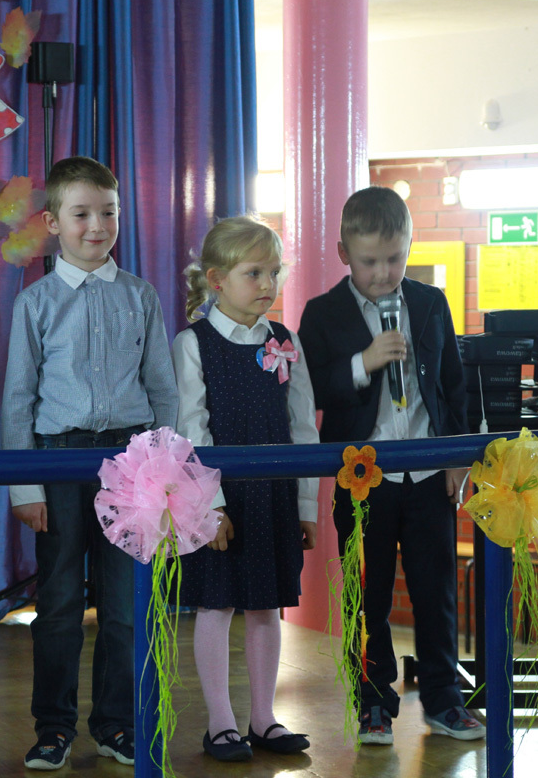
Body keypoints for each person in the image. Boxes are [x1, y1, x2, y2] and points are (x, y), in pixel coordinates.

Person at [1, 156, 178, 771]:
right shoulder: (35, 303)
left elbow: (163, 390)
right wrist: (25, 486)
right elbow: (18, 399)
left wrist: (165, 472)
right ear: (54, 222)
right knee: (57, 603)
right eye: (81, 214)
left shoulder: (141, 296)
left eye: (108, 212)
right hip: (58, 462)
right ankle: (53, 727)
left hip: (131, 460)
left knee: (125, 603)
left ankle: (115, 724)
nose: (97, 226)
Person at [298, 186, 483, 744]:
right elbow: (310, 390)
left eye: (394, 258)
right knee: (367, 596)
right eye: (369, 261)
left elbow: (454, 385)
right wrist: (364, 361)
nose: (383, 273)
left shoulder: (430, 303)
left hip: (428, 475)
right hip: (363, 482)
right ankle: (373, 703)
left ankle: (444, 700)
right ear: (343, 253)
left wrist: (457, 456)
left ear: (409, 248)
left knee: (436, 593)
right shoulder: (322, 313)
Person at [172, 217, 319, 761]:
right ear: (217, 279)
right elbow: (191, 429)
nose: (267, 284)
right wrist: (209, 506)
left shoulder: (285, 341)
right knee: (217, 605)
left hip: (275, 493)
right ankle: (220, 723)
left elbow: (304, 427)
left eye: (274, 272)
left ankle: (264, 718)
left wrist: (306, 505)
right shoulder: (193, 344)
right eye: (254, 272)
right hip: (222, 498)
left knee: (266, 605)